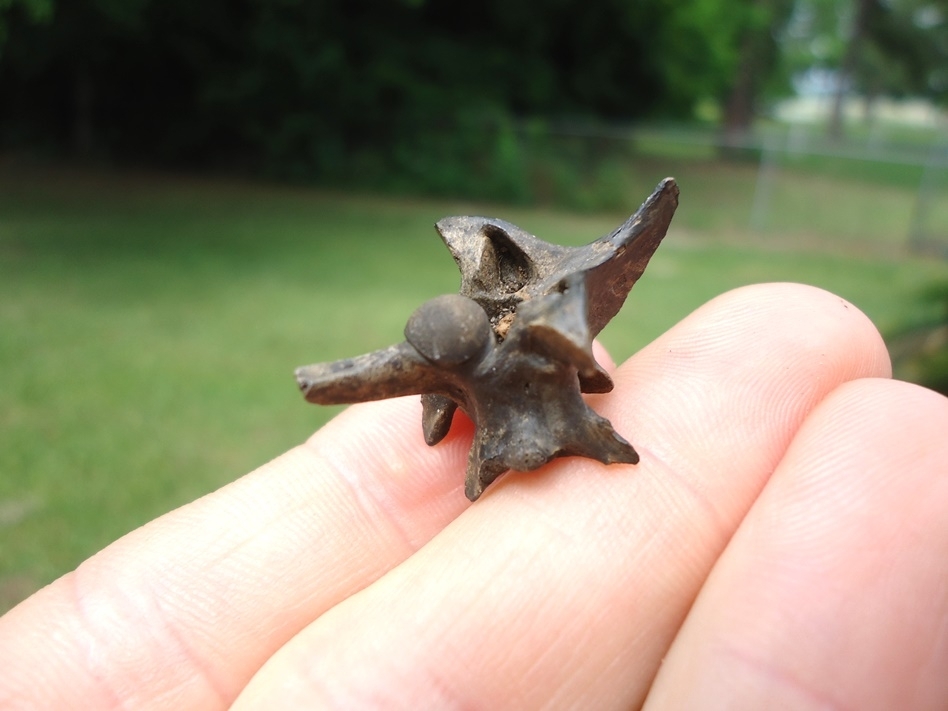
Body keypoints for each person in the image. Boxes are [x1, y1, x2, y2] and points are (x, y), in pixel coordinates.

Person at [1, 283, 946, 710]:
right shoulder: (455, 352)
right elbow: (351, 374)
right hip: (508, 406)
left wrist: (569, 397)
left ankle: (571, 431)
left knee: (565, 424)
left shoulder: (530, 339)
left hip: (542, 405)